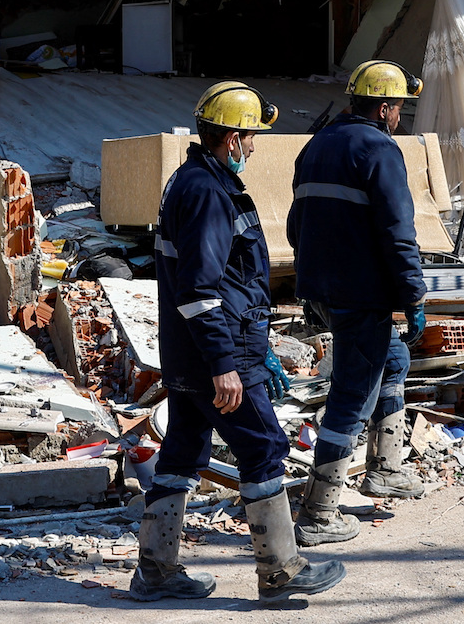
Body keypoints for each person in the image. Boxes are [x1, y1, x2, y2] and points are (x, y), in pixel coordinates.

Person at [134, 81, 346, 605]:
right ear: (230, 138)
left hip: (193, 351)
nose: (253, 146)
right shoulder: (208, 192)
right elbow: (201, 291)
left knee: (183, 449)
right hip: (217, 353)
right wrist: (225, 364)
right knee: (262, 445)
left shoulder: (192, 181)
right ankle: (280, 570)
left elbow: (217, 283)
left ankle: (155, 572)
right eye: (250, 136)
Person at [286, 59, 428, 547]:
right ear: (385, 108)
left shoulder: (316, 145)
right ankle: (319, 513)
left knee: (393, 360)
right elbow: (397, 232)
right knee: (352, 394)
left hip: (322, 288)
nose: (399, 117)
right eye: (400, 108)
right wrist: (413, 294)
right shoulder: (379, 148)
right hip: (361, 292)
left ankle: (385, 470)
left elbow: (294, 224)